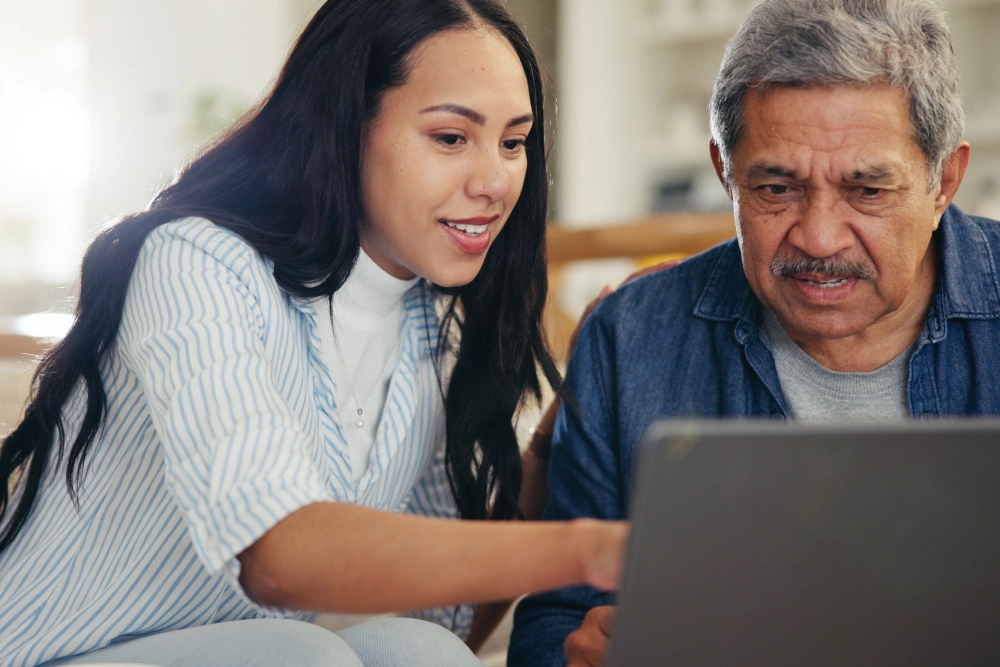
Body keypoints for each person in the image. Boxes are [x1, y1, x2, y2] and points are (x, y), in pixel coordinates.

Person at [0, 1, 629, 665]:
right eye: (450, 137)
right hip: (43, 651)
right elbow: (279, 555)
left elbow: (448, 618)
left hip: (237, 649)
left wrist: (564, 428)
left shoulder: (430, 332)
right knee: (306, 655)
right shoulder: (195, 263)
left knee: (420, 648)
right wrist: (593, 548)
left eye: (513, 142)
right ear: (347, 125)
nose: (496, 180)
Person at [508, 0, 1000, 665]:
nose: (820, 236)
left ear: (944, 181)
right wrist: (578, 651)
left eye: (867, 191)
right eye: (776, 188)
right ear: (724, 171)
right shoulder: (629, 339)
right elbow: (551, 622)